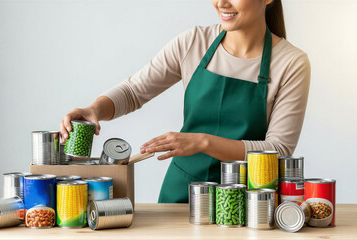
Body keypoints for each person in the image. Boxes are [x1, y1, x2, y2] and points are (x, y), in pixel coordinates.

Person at [60, 0, 311, 203]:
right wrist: (95, 108)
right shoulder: (194, 43)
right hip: (181, 194)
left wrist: (202, 142)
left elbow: (278, 149)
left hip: (248, 201)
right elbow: (133, 91)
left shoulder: (291, 63)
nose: (220, 3)